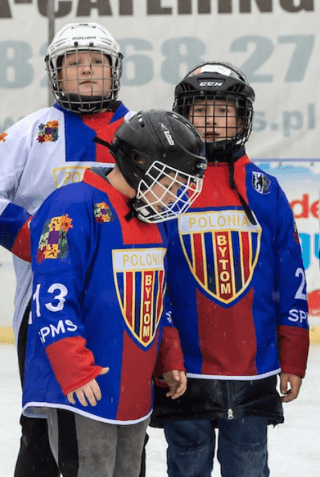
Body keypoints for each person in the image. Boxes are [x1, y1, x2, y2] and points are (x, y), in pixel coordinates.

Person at [0, 22, 131, 477]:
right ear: (56, 73)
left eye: (96, 62)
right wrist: (31, 239)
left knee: (125, 426)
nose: (86, 71)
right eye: (74, 63)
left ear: (114, 71)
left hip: (128, 304)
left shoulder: (138, 131)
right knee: (42, 426)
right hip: (45, 306)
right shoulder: (35, 131)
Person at [22, 109, 206, 477]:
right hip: (82, 387)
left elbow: (158, 300)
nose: (176, 192)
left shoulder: (156, 219)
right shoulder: (72, 204)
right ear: (139, 163)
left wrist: (169, 358)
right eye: (170, 179)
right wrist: (74, 367)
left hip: (133, 387)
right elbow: (52, 294)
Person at [151, 62, 309, 476]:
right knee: (187, 465)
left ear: (242, 117)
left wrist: (294, 357)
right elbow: (154, 283)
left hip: (254, 369)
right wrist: (167, 352)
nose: (212, 121)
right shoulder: (165, 191)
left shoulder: (266, 191)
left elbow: (291, 280)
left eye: (224, 110)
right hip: (182, 370)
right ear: (181, 117)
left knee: (249, 467)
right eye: (201, 110)